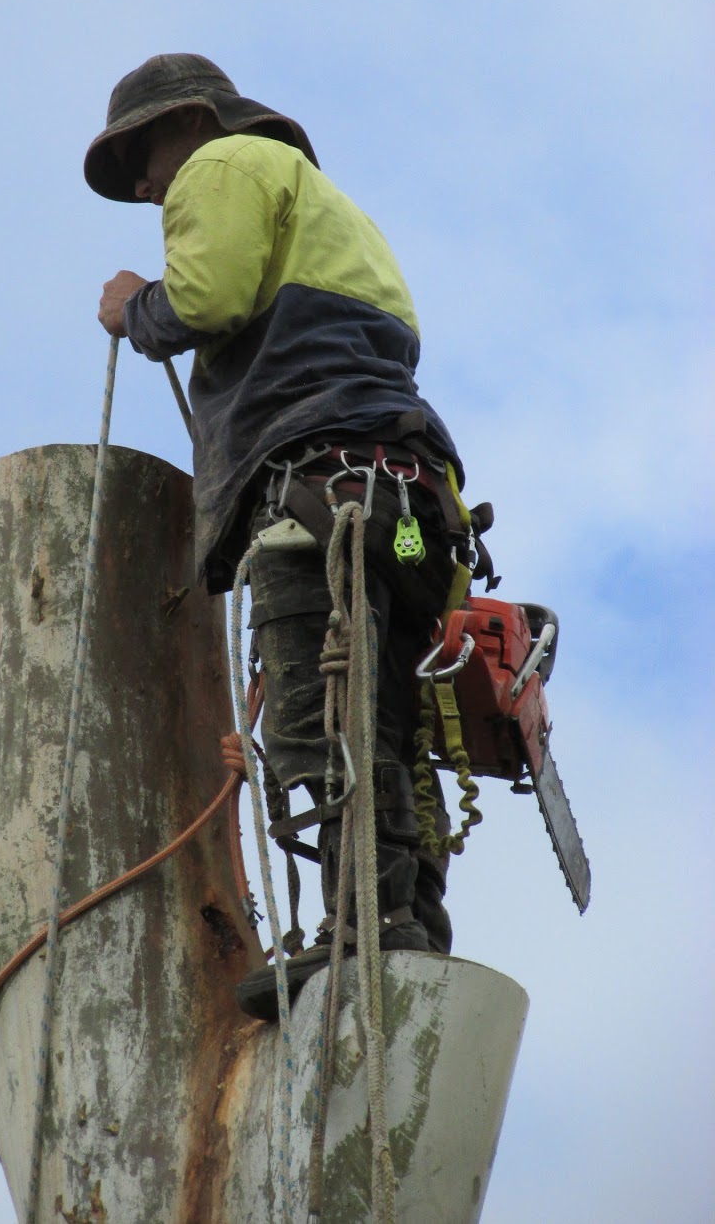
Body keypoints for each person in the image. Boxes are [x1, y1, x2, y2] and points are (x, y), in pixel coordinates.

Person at [86, 53, 468, 1018]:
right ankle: (411, 926)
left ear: (200, 120)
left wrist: (136, 306)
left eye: (144, 151)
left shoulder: (221, 168)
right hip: (413, 518)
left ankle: (364, 930)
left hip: (320, 501)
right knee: (382, 710)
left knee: (316, 714)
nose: (143, 181)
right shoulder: (331, 204)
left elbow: (206, 301)